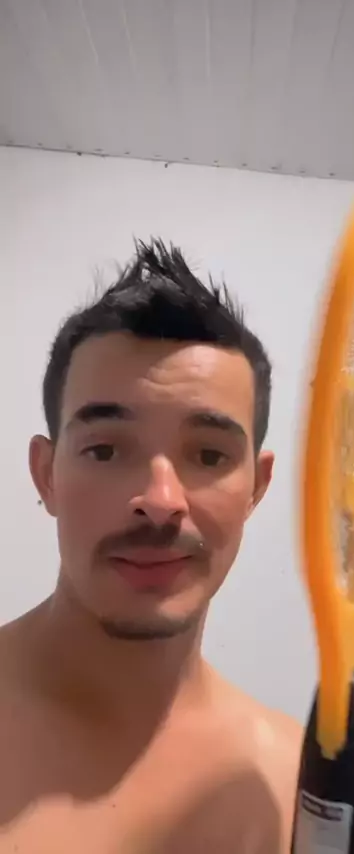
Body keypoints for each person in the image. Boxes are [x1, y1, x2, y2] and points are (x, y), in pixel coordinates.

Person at [0, 238, 303, 853]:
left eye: (209, 456)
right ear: (47, 475)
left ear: (257, 487)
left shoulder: (290, 777)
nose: (161, 500)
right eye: (105, 450)